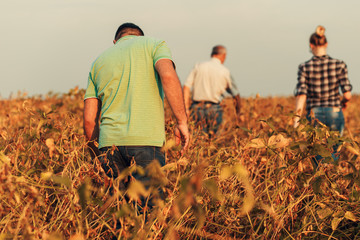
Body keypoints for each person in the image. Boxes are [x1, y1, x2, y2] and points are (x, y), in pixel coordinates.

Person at [83, 23, 190, 203]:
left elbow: (89, 121)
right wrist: (181, 122)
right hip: (146, 143)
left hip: (109, 146)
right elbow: (169, 77)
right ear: (140, 37)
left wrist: (97, 156)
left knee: (120, 216)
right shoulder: (154, 45)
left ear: (115, 41)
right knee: (148, 214)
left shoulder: (99, 62)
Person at [294, 25, 352, 164]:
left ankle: (320, 179)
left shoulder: (305, 67)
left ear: (311, 45)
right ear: (326, 44)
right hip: (334, 111)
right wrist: (343, 102)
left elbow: (301, 95)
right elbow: (348, 95)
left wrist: (296, 121)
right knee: (334, 152)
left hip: (315, 113)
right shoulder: (339, 65)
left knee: (317, 153)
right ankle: (331, 177)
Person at [183, 45, 241, 134]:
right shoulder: (225, 71)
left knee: (198, 139)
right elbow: (235, 94)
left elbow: (186, 87)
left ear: (212, 54)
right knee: (213, 140)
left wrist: (186, 109)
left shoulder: (198, 66)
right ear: (224, 55)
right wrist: (238, 113)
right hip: (215, 109)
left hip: (196, 108)